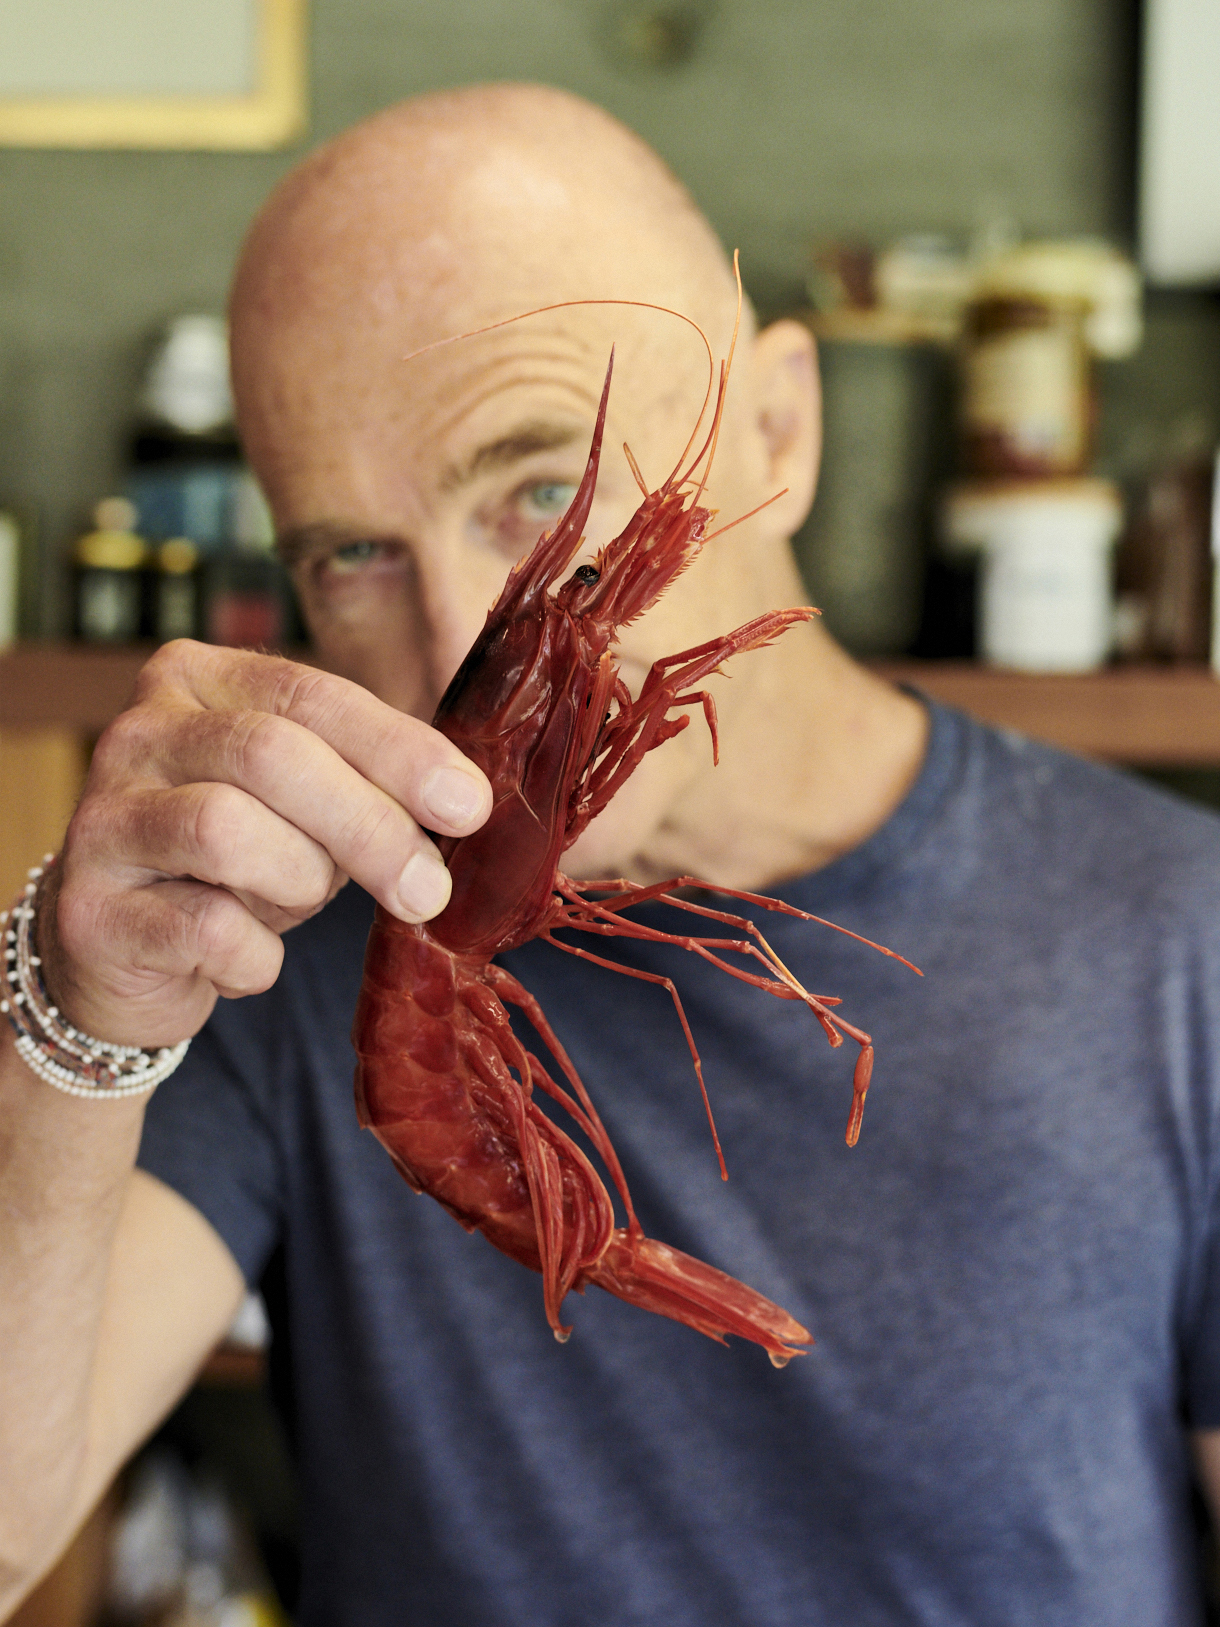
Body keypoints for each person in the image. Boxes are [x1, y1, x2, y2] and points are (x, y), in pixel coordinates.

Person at [2, 82, 1219, 1627]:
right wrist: (76, 1010)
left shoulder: (1191, 944)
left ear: (781, 422)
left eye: (529, 492)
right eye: (349, 555)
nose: (446, 643)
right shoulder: (267, 952)